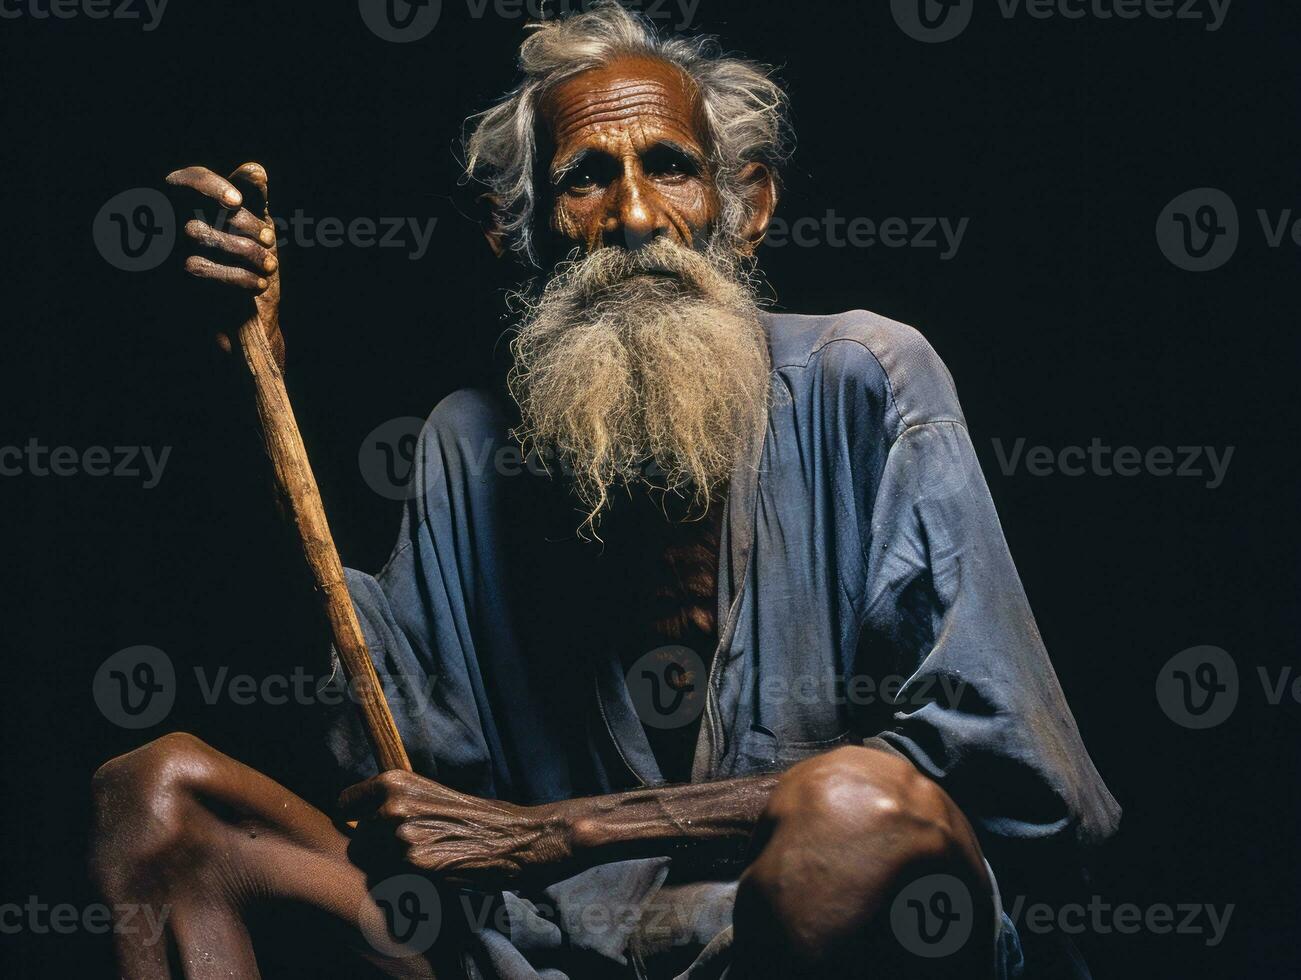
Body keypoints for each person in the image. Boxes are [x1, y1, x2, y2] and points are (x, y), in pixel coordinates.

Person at [90, 4, 1119, 977]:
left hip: (819, 937)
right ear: (515, 229)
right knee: (160, 795)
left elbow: (1006, 770)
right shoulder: (469, 444)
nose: (634, 216)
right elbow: (385, 766)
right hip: (547, 955)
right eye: (585, 178)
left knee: (854, 814)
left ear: (745, 207)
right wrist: (249, 378)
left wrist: (556, 832)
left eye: (669, 166)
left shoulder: (870, 379)